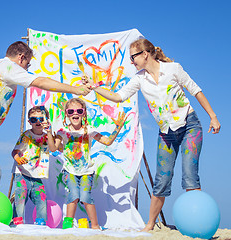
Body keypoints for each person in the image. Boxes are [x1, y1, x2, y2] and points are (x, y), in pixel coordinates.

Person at [82, 38, 221, 231]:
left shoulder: (173, 69)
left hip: (189, 125)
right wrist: (94, 87)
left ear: (145, 54)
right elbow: (118, 97)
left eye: (133, 57)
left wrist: (213, 117)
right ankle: (149, 225)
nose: (132, 61)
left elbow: (195, 90)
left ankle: (198, 222)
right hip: (166, 132)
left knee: (190, 174)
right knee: (162, 179)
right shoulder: (139, 79)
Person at [0, 41, 91, 194]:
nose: (26, 69)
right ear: (21, 57)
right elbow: (40, 81)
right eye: (28, 64)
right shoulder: (8, 67)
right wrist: (75, 89)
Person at [46, 98, 127, 229]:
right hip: (69, 170)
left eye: (79, 110)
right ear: (66, 114)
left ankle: (95, 225)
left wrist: (117, 128)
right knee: (73, 194)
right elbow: (53, 148)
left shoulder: (89, 130)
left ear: (83, 113)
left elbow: (107, 142)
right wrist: (49, 133)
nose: (75, 113)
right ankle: (67, 225)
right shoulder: (63, 132)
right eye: (71, 111)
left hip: (86, 171)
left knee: (85, 196)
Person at [11, 106, 51, 226]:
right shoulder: (26, 135)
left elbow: (56, 147)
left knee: (41, 198)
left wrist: (50, 132)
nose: (38, 121)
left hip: (36, 174)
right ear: (29, 122)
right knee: (21, 197)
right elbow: (15, 151)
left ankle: (41, 222)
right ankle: (16, 222)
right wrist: (18, 158)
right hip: (22, 172)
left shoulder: (47, 137)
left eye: (41, 119)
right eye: (34, 120)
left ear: (46, 120)